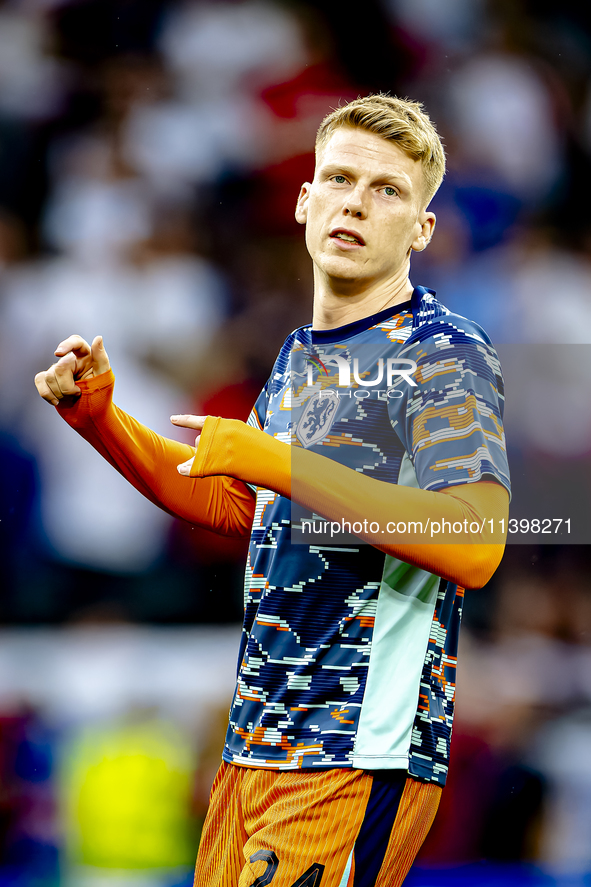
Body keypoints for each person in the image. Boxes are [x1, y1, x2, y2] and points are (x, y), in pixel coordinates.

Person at [35, 95, 510, 887]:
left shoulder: (442, 352)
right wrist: (102, 423)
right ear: (304, 200)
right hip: (256, 746)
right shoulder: (299, 355)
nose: (356, 201)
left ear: (421, 229)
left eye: (388, 189)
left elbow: (474, 543)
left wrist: (280, 462)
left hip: (353, 749)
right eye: (339, 178)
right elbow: (237, 504)